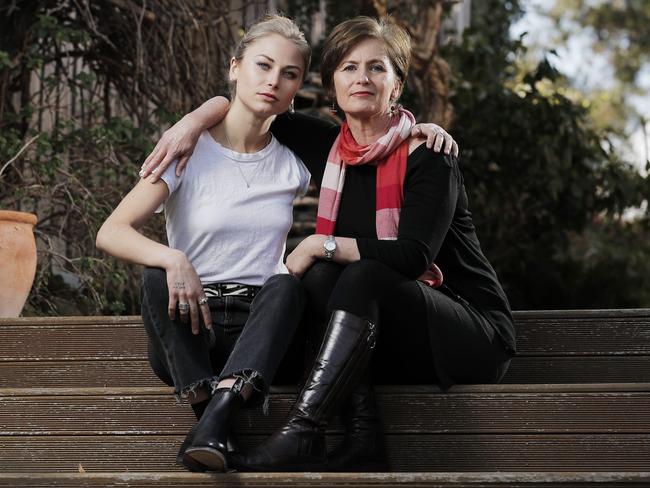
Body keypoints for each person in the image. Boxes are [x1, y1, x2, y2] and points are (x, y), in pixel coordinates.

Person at [142, 16, 515, 473]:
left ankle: (304, 430)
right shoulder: (327, 145)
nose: (362, 78)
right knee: (324, 279)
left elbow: (413, 256)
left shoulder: (427, 154)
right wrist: (191, 122)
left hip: (464, 329)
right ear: (332, 83)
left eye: (377, 68)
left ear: (396, 86)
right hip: (382, 336)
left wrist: (321, 243)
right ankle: (363, 436)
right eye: (348, 68)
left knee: (354, 271)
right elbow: (250, 102)